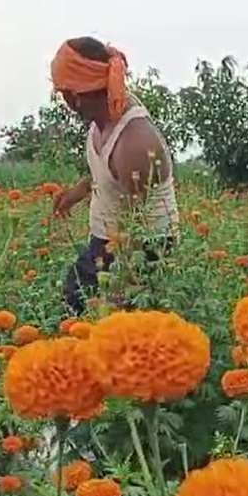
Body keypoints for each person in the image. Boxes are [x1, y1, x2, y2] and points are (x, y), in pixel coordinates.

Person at [50, 37, 179, 314]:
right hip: (108, 240)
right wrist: (77, 193)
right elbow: (107, 173)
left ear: (76, 96)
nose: (63, 101)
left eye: (62, 93)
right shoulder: (102, 117)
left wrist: (120, 289)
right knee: (74, 303)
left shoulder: (135, 142)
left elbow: (137, 226)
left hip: (144, 250)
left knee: (112, 329)